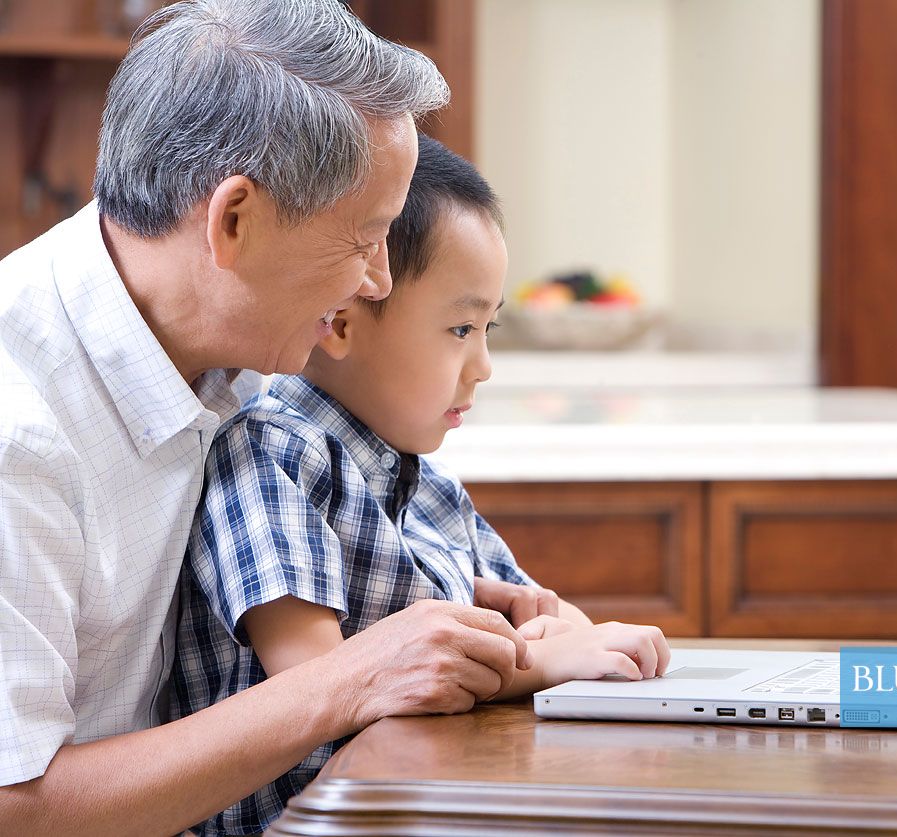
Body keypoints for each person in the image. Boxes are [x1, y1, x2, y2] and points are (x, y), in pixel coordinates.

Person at [0, 2, 554, 834]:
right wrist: (345, 680)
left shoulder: (228, 342)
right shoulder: (21, 430)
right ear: (235, 220)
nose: (375, 281)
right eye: (367, 237)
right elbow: (18, 808)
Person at [171, 135, 671, 835]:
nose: (483, 365)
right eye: (460, 328)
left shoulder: (424, 483)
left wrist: (553, 636)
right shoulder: (270, 454)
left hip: (424, 798)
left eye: (488, 328)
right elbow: (315, 679)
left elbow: (561, 629)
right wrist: (533, 659)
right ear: (340, 320)